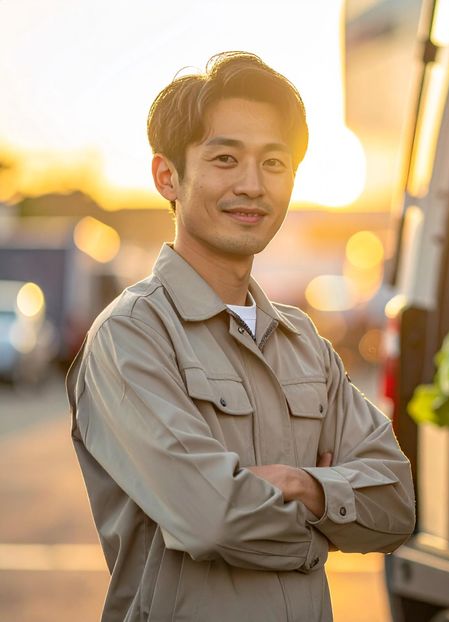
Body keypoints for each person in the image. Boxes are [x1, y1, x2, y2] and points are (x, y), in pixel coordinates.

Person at [66, 51, 416, 621]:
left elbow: (397, 505)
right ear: (167, 177)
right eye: (225, 158)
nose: (253, 185)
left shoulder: (305, 342)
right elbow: (211, 518)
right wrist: (328, 522)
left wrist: (305, 485)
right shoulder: (130, 338)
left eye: (274, 163)